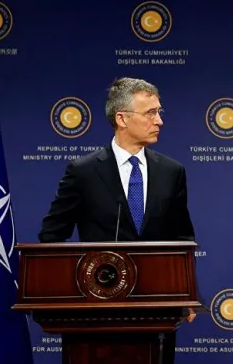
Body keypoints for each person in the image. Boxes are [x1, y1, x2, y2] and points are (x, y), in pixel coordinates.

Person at [39, 77, 198, 364]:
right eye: (150, 113)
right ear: (122, 118)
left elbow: (182, 237)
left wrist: (187, 293)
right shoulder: (84, 172)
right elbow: (52, 236)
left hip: (156, 309)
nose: (159, 121)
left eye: (159, 112)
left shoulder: (172, 171)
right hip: (96, 309)